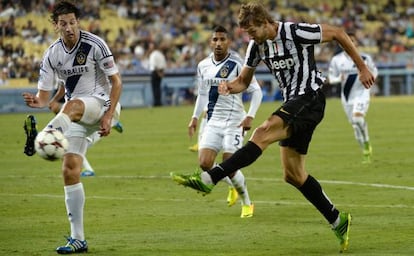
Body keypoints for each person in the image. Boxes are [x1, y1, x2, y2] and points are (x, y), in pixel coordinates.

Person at [171, 2, 375, 253]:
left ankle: (210, 178)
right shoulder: (255, 46)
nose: (250, 36)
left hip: (310, 97)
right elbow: (243, 81)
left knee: (262, 132)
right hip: (294, 104)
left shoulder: (295, 32)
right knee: (293, 175)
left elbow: (338, 34)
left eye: (252, 30)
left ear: (264, 22)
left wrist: (362, 67)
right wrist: (229, 86)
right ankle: (337, 220)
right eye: (246, 33)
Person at [22, 1, 122, 254]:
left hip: (101, 103)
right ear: (55, 26)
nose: (69, 28)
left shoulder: (94, 44)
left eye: (72, 22)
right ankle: (78, 239)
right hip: (75, 114)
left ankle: (47, 134)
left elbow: (116, 81)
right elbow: (45, 97)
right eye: (63, 23)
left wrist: (110, 115)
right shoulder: (52, 54)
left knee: (74, 104)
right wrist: (38, 102)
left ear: (78, 22)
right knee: (69, 169)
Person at [185, 25, 263, 218]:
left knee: (230, 164)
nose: (218, 43)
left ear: (229, 41)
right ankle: (232, 186)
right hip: (212, 121)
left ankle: (247, 202)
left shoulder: (238, 63)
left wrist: (250, 115)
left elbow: (257, 91)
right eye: (215, 40)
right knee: (204, 163)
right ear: (210, 42)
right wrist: (195, 117)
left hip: (234, 121)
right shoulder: (203, 65)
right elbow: (202, 94)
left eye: (222, 39)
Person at [48, 79, 124, 176]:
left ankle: (88, 170)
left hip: (91, 104)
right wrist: (54, 100)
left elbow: (116, 81)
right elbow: (62, 87)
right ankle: (112, 122)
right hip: (80, 106)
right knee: (69, 143)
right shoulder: (60, 69)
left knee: (69, 145)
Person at [328, 31, 378, 164]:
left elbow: (374, 72)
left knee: (357, 118)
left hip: (362, 93)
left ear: (356, 43)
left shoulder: (365, 58)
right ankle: (365, 150)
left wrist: (370, 81)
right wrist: (339, 78)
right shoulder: (336, 60)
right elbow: (331, 78)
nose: (351, 43)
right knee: (355, 126)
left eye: (353, 41)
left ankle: (367, 141)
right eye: (348, 40)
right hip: (347, 97)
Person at [148, 41, 167, 107]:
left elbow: (154, 65)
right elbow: (163, 64)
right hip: (160, 72)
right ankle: (158, 102)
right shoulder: (160, 54)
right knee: (158, 88)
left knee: (155, 88)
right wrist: (161, 73)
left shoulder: (153, 54)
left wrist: (158, 73)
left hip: (155, 72)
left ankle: (156, 102)